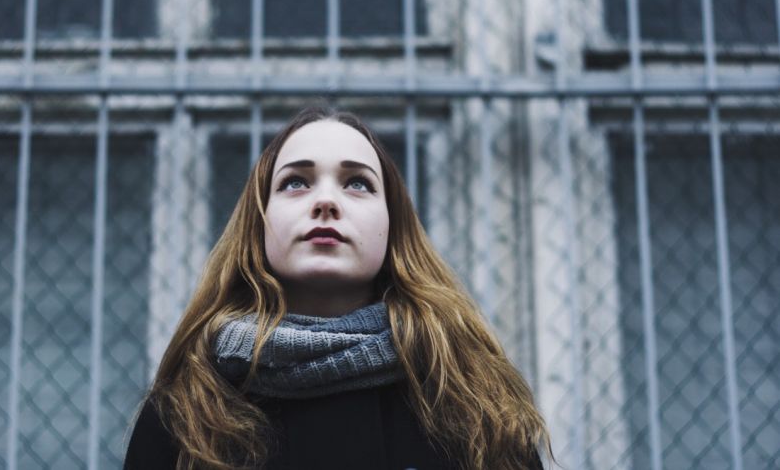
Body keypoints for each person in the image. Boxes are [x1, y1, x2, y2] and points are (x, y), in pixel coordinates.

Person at [124, 106, 551, 469]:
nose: (325, 201)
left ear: (391, 227)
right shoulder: (187, 407)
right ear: (260, 224)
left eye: (357, 183)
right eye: (295, 182)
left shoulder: (471, 399)